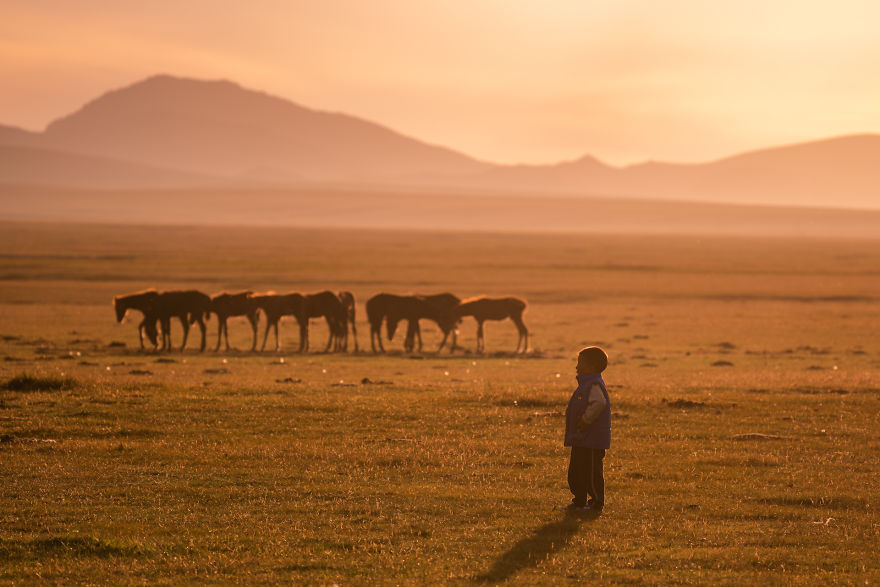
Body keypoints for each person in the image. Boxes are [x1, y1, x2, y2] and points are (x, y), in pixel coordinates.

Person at [563, 346, 611, 513]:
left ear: (591, 367)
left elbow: (599, 403)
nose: (577, 366)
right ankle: (579, 502)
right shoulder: (586, 384)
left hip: (592, 440)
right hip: (581, 438)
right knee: (577, 470)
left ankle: (596, 503)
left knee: (591, 472)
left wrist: (585, 420)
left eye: (580, 363)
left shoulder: (594, 384)